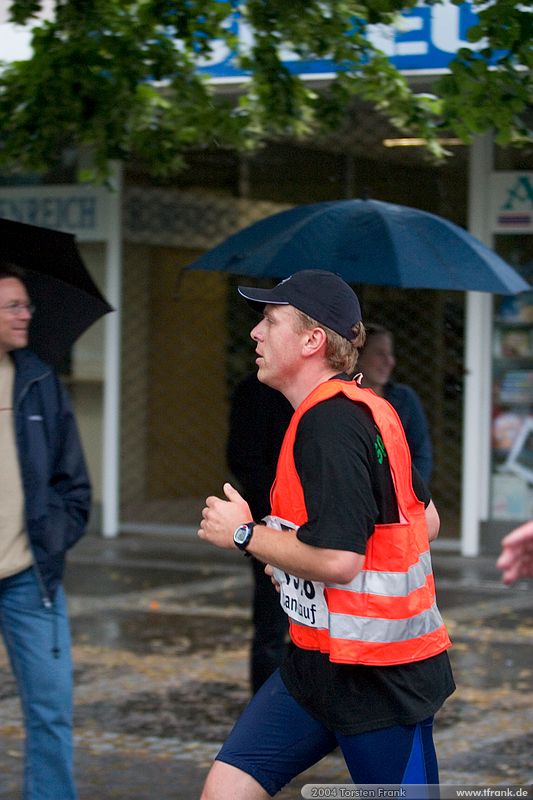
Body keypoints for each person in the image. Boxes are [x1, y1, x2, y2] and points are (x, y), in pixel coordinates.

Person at [198, 269, 455, 799]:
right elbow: (422, 521)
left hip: (378, 676)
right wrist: (291, 561)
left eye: (270, 321)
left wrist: (244, 533)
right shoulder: (367, 409)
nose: (255, 334)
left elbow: (339, 559)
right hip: (315, 665)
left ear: (313, 340)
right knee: (225, 789)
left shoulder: (330, 425)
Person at [0, 263, 91, 800]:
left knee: (52, 711)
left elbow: (73, 485)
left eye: (26, 304)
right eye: (12, 305)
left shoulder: (38, 381)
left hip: (28, 577)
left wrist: (52, 538)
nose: (26, 314)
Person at [227, 373, 293, 693]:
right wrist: (278, 507)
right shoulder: (255, 392)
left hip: (316, 523)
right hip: (270, 520)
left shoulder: (328, 397)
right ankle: (267, 704)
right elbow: (243, 458)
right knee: (271, 621)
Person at [356, 323, 433, 485]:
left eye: (390, 354)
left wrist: (409, 494)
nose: (389, 361)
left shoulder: (405, 399)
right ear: (358, 356)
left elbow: (421, 456)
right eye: (379, 353)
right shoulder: (342, 400)